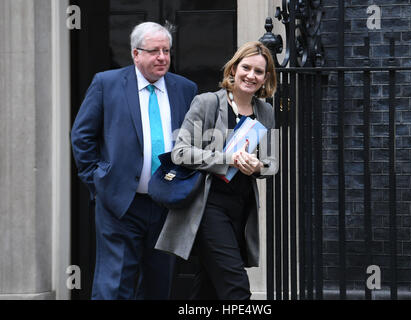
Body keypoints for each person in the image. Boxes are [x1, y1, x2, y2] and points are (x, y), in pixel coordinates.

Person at [70, 22, 198, 299]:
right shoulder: (107, 83)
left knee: (158, 284)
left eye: (166, 50)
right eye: (154, 51)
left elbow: (195, 142)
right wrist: (98, 180)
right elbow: (82, 136)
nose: (162, 57)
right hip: (120, 202)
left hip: (167, 204)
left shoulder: (185, 89)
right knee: (114, 286)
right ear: (135, 53)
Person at [155, 41, 278, 299]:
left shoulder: (265, 111)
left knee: (208, 289)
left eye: (258, 72)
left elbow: (272, 163)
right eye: (246, 68)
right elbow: (180, 152)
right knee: (236, 288)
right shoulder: (207, 103)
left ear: (266, 78)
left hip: (241, 210)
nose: (251, 76)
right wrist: (228, 159)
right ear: (233, 69)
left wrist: (258, 166)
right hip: (208, 207)